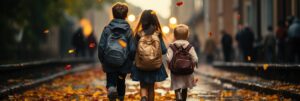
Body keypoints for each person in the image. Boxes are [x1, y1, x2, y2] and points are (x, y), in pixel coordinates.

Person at [98, 2, 133, 101]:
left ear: (113, 14)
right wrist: (131, 60)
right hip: (124, 63)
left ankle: (111, 89)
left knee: (111, 80)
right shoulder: (129, 31)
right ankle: (121, 97)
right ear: (126, 15)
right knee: (121, 82)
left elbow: (101, 46)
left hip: (109, 62)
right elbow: (133, 49)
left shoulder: (107, 30)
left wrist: (102, 60)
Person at [130, 10, 168, 101]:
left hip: (141, 64)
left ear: (142, 20)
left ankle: (143, 97)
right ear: (155, 20)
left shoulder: (138, 34)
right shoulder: (157, 34)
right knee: (151, 87)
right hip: (154, 66)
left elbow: (132, 49)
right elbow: (163, 50)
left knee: (143, 85)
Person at [166, 24, 198, 101]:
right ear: (187, 36)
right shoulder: (189, 47)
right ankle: (183, 98)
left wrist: (169, 65)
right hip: (187, 72)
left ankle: (177, 95)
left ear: (174, 36)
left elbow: (168, 58)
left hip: (175, 71)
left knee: (177, 86)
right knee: (185, 87)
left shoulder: (172, 46)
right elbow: (195, 58)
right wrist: (194, 64)